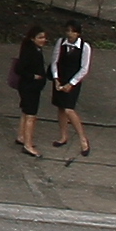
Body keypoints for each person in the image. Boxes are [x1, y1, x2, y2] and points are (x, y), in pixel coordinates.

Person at [48, 21, 93, 153]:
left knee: (69, 109)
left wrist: (71, 83)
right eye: (68, 31)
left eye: (72, 31)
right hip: (61, 77)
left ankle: (83, 138)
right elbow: (54, 61)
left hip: (73, 80)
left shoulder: (85, 47)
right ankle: (63, 136)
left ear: (78, 33)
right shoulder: (61, 42)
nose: (69, 34)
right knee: (60, 107)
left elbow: (84, 68)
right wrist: (56, 79)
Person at [8, 27, 50, 158]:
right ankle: (28, 144)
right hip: (29, 87)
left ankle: (21, 136)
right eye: (40, 37)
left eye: (44, 37)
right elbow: (20, 69)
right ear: (33, 38)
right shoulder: (30, 51)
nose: (43, 40)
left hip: (31, 87)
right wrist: (33, 76)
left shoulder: (35, 49)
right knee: (31, 115)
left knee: (26, 112)